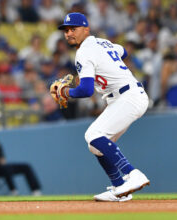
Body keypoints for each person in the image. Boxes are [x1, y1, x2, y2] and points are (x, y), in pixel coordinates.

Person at [52, 12, 150, 202]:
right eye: (66, 30)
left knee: (93, 135)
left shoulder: (83, 52)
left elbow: (86, 90)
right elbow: (123, 51)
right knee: (96, 146)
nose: (69, 33)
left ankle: (133, 174)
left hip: (127, 97)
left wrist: (65, 93)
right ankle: (120, 188)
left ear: (86, 29)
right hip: (127, 96)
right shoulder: (103, 43)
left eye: (74, 29)